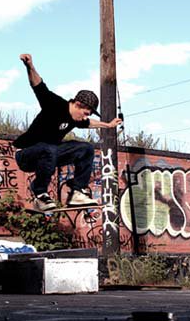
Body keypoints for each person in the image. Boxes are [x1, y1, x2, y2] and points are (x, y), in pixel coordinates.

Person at [13, 53, 123, 211]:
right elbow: (38, 86)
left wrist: (108, 124)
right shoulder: (55, 104)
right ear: (77, 104)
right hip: (26, 154)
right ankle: (40, 194)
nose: (85, 117)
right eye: (85, 113)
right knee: (49, 147)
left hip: (48, 154)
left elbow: (89, 123)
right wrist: (30, 67)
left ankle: (77, 192)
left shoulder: (76, 118)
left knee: (86, 149)